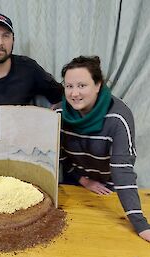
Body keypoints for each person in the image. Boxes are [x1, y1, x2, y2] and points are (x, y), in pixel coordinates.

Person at [57, 55, 150, 242]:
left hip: (109, 189)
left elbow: (122, 169)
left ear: (98, 85)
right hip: (73, 184)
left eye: (82, 85)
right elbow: (56, 156)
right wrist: (83, 180)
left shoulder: (118, 117)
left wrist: (141, 225)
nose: (74, 94)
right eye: (69, 86)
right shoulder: (58, 114)